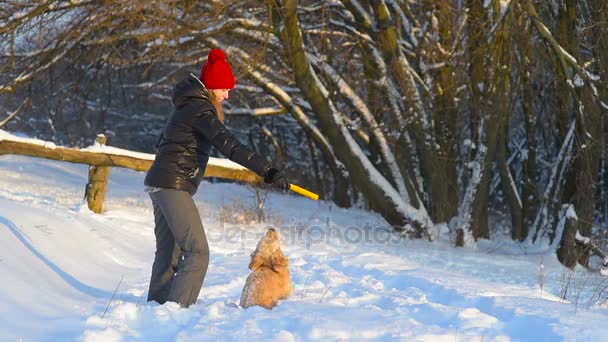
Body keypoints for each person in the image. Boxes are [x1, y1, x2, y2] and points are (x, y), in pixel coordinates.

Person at [144, 48, 290, 308]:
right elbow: (230, 146)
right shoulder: (200, 110)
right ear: (212, 87)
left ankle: (155, 310)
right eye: (224, 88)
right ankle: (175, 311)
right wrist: (268, 170)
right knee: (198, 252)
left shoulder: (189, 106)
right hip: (172, 185)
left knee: (169, 253)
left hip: (161, 183)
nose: (227, 94)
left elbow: (163, 144)